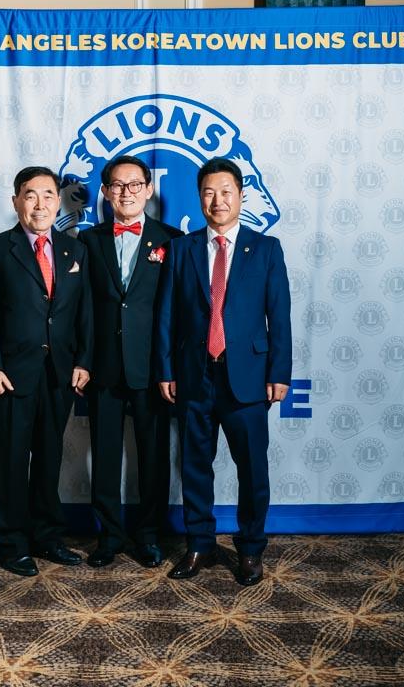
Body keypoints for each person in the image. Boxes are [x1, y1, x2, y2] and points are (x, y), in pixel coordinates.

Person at [156, 157, 292, 586]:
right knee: (195, 465)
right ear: (200, 197)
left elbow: (279, 317)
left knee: (252, 469)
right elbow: (167, 316)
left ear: (240, 196)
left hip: (247, 378)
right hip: (194, 375)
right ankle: (200, 543)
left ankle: (250, 549)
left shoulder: (266, 248)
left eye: (226, 191)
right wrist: (165, 369)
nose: (218, 200)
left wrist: (279, 373)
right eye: (209, 192)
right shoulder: (182, 249)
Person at [0, 166, 93, 577]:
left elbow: (83, 313)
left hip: (59, 374)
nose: (39, 204)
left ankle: (47, 536)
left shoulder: (74, 251)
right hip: (10, 375)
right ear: (15, 201)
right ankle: (11, 544)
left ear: (58, 202)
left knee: (48, 457)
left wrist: (83, 360)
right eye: (30, 195)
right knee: (9, 460)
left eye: (48, 195)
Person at [78, 155, 182, 568]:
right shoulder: (87, 241)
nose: (126, 192)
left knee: (153, 456)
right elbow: (82, 308)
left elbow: (177, 312)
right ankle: (108, 537)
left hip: (152, 369)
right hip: (102, 366)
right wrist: (83, 361)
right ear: (105, 192)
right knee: (104, 456)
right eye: (117, 186)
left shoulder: (172, 240)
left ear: (149, 189)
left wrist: (170, 367)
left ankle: (149, 534)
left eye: (135, 184)